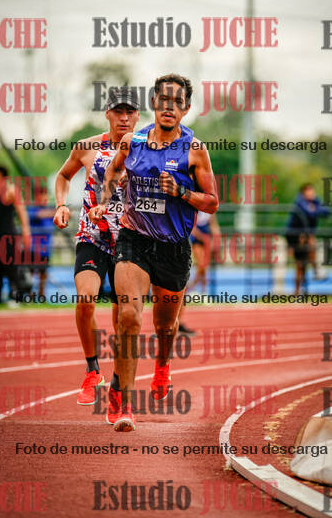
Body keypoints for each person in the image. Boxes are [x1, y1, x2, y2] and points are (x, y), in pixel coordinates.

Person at [89, 74, 219, 432]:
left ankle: (162, 366)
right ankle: (123, 401)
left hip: (174, 247)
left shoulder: (195, 149)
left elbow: (212, 202)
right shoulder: (133, 141)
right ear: (154, 104)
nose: (169, 107)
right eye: (163, 100)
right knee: (129, 316)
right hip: (134, 240)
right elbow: (112, 172)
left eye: (177, 102)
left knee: (165, 327)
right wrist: (103, 201)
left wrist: (181, 192)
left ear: (186, 109)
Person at [53, 88, 140, 415]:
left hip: (128, 241)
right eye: (118, 111)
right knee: (85, 299)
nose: (124, 118)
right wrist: (61, 204)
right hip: (92, 236)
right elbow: (63, 175)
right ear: (107, 113)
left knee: (123, 316)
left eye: (130, 112)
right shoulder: (87, 147)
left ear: (138, 116)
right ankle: (92, 371)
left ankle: (118, 382)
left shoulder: (145, 150)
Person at [0, 165, 31, 305]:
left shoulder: (12, 189)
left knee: (11, 265)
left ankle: (16, 297)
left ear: (1, 175)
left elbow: (21, 212)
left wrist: (26, 232)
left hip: (9, 233)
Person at [178, 211, 221, 335]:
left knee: (202, 270)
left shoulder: (209, 208)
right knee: (185, 280)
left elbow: (214, 225)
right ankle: (174, 322)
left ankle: (196, 290)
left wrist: (216, 241)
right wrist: (202, 237)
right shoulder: (193, 207)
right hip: (192, 239)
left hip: (203, 239)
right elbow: (190, 226)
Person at [286, 183, 331, 294]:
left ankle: (301, 289)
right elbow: (309, 212)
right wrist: (315, 210)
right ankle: (315, 272)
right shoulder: (299, 202)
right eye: (309, 192)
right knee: (300, 265)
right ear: (303, 193)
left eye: (312, 191)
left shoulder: (315, 201)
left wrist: (314, 209)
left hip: (306, 236)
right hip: (295, 237)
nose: (312, 194)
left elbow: (326, 212)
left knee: (303, 263)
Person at [27, 185, 54, 297]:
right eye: (42, 196)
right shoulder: (32, 209)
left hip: (46, 249)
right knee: (31, 273)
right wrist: (57, 211)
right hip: (33, 248)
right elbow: (39, 215)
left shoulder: (50, 210)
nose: (44, 198)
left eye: (46, 196)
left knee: (43, 273)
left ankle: (41, 296)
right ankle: (29, 296)